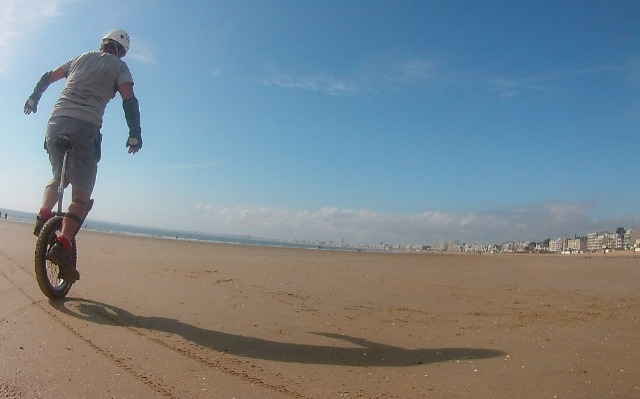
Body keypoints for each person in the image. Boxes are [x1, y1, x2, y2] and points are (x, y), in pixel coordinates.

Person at [24, 29, 143, 282]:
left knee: (58, 177)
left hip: (55, 123)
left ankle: (44, 215)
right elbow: (129, 99)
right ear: (121, 51)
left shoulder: (79, 58)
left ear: (103, 44)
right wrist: (135, 133)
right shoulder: (119, 67)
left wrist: (34, 98)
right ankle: (63, 242)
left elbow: (49, 76)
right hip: (85, 128)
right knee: (81, 195)